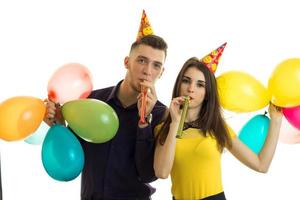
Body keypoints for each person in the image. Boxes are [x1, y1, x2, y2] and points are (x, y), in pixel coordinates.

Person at [44, 34, 168, 200]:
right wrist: (58, 124)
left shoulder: (161, 114)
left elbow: (148, 175)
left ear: (161, 72)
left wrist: (144, 121)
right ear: (126, 62)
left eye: (156, 65)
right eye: (141, 60)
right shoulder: (91, 101)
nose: (147, 71)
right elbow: (75, 153)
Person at [154, 57, 282, 200]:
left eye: (200, 85)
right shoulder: (163, 129)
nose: (191, 89)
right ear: (178, 85)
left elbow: (261, 165)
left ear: (207, 93)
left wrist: (276, 121)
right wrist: (175, 123)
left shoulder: (217, 127)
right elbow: (162, 172)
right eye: (186, 81)